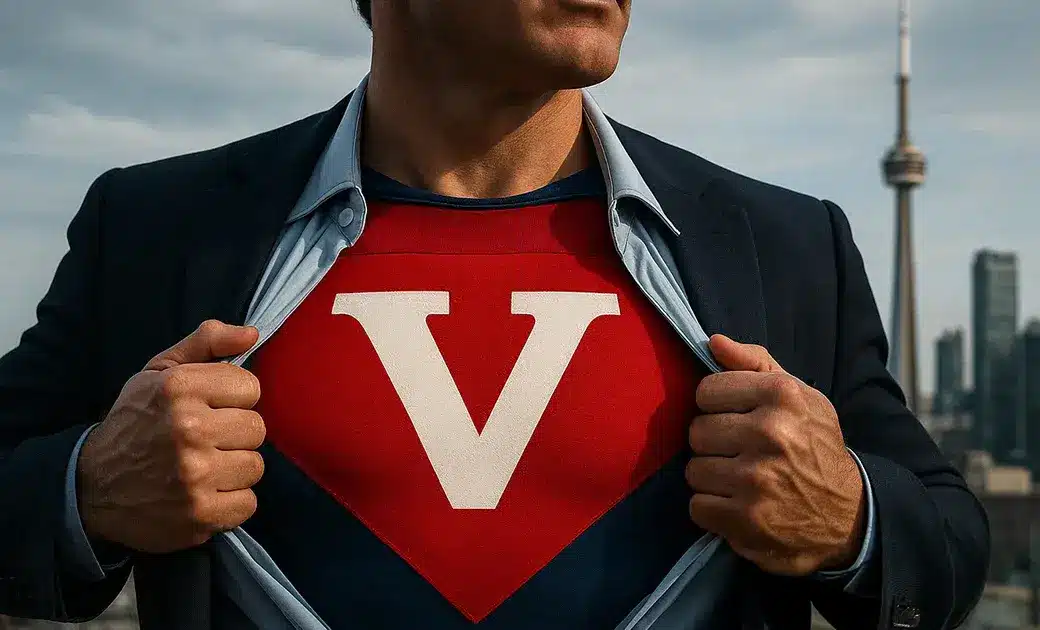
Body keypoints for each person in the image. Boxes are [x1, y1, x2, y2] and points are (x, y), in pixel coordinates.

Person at [0, 1, 989, 629]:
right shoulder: (158, 229)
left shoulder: (782, 243)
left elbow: (950, 544)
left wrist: (850, 517)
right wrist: (86, 489)